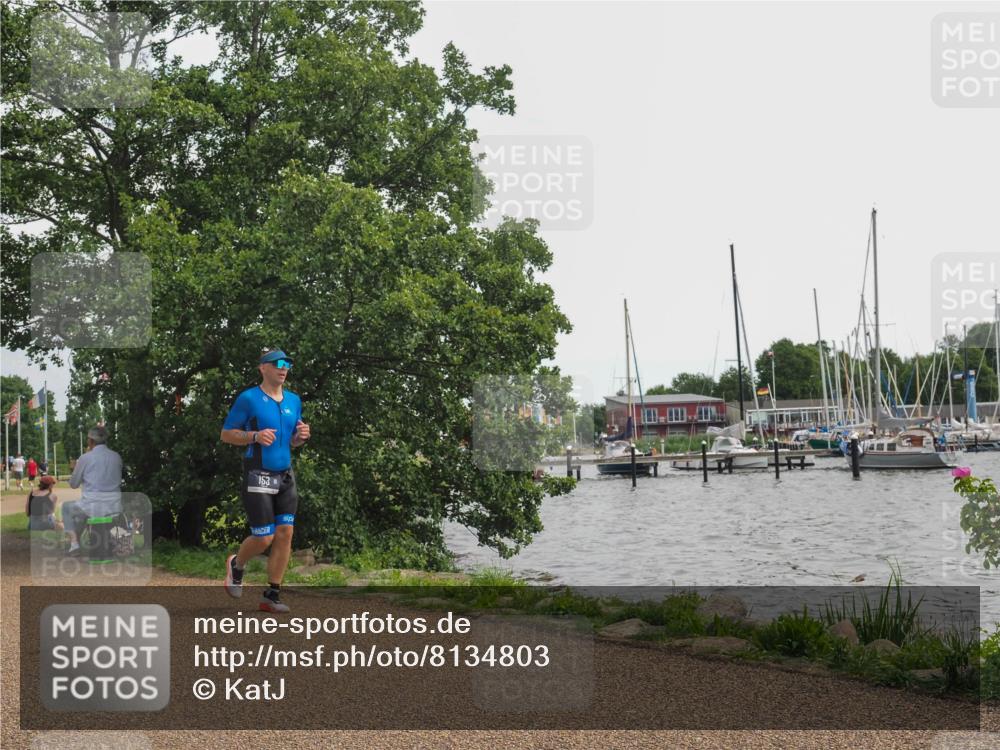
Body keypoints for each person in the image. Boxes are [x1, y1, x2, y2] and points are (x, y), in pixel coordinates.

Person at [221, 349, 310, 613]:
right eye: (278, 364)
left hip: (285, 475)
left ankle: (272, 595)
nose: (284, 368)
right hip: (258, 472)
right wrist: (254, 437)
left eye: (288, 364)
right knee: (264, 538)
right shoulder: (248, 399)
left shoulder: (294, 400)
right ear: (263, 368)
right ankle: (237, 564)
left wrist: (300, 437)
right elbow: (226, 434)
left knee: (286, 533)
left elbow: (291, 441)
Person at [62, 426, 123, 555]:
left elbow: (73, 484)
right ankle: (77, 543)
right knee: (81, 513)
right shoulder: (116, 456)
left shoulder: (85, 458)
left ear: (90, 441)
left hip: (91, 505)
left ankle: (74, 544)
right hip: (114, 505)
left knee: (67, 508)